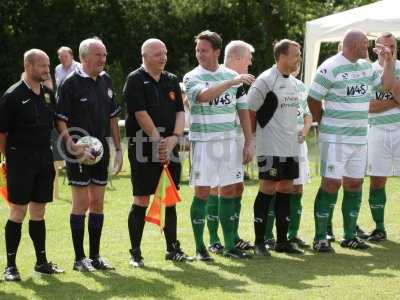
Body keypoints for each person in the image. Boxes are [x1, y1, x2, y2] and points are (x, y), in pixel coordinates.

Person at [308, 30, 394, 252]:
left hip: (360, 137)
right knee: (331, 184)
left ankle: (349, 235)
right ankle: (320, 237)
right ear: (355, 44)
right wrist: (322, 121)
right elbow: (313, 97)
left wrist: (389, 61)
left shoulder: (366, 66)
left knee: (355, 184)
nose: (369, 46)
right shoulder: (330, 66)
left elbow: (385, 85)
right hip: (336, 138)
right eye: (366, 42)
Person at [184, 30, 255, 260]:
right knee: (203, 192)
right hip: (204, 144)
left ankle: (229, 245)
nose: (199, 54)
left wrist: (248, 142)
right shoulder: (192, 77)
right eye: (197, 50)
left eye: (204, 50)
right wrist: (231, 81)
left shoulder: (232, 75)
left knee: (230, 190)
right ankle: (200, 247)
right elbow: (203, 97)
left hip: (230, 143)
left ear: (216, 51)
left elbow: (242, 109)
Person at [56, 37, 123, 271]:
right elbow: (60, 120)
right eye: (98, 55)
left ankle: (95, 256)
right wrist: (72, 145)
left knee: (98, 203)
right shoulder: (70, 84)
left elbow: (113, 117)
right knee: (81, 203)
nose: (102, 59)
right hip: (79, 154)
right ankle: (79, 259)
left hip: (100, 152)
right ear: (83, 58)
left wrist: (118, 148)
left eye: (104, 55)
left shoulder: (106, 80)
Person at [124, 38, 192, 267]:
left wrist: (174, 138)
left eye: (164, 53)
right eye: (157, 54)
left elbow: (180, 112)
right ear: (144, 56)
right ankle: (135, 252)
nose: (163, 57)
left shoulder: (171, 80)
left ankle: (173, 249)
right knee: (142, 199)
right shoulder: (134, 80)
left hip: (169, 145)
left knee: (168, 199)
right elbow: (140, 114)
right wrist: (158, 141)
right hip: (144, 146)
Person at [0, 49, 64, 281]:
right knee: (18, 211)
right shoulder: (12, 95)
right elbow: (2, 132)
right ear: (28, 66)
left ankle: (41, 262)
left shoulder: (48, 94)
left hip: (44, 158)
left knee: (39, 210)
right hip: (20, 160)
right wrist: (6, 158)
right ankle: (10, 266)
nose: (48, 70)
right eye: (42, 66)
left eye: (48, 65)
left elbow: (56, 123)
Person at [248, 39, 304, 256]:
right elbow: (249, 109)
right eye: (295, 54)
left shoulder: (293, 82)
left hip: (290, 148)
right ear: (281, 56)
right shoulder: (265, 80)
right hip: (270, 147)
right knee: (267, 189)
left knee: (286, 189)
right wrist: (251, 140)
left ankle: (282, 241)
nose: (298, 58)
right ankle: (260, 242)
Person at [205, 40, 255, 254]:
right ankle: (215, 239)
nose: (250, 64)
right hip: (215, 144)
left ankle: (232, 236)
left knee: (237, 187)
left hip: (235, 140)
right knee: (216, 188)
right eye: (248, 60)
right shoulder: (215, 76)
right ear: (236, 58)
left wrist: (247, 142)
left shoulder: (237, 84)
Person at [366, 32, 400, 242]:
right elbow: (367, 107)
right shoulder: (367, 70)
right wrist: (395, 101)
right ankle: (379, 228)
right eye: (384, 46)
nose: (388, 50)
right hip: (376, 130)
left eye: (393, 46)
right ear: (375, 48)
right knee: (377, 179)